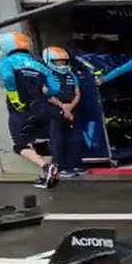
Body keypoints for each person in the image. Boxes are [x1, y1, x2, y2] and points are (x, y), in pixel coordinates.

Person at [0, 31, 62, 189]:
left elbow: (7, 79)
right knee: (42, 142)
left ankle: (45, 167)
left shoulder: (6, 60)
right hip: (42, 107)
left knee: (20, 145)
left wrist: (15, 98)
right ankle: (47, 178)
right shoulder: (38, 62)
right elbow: (55, 87)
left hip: (22, 109)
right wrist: (45, 94)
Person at [41, 47, 89, 178]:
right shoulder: (45, 74)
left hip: (72, 109)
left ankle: (76, 164)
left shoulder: (71, 74)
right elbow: (45, 92)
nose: (61, 63)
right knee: (58, 139)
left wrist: (71, 106)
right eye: (57, 61)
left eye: (63, 60)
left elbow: (77, 92)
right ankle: (62, 167)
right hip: (54, 109)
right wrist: (63, 106)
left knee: (76, 138)